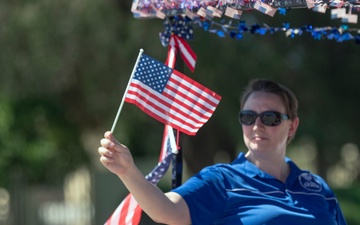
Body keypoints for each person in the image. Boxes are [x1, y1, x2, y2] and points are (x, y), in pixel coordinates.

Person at [98, 79, 347, 225]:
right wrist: (128, 171)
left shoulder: (318, 188)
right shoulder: (222, 180)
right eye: (248, 117)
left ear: (292, 126)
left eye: (270, 117)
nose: (257, 125)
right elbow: (167, 210)